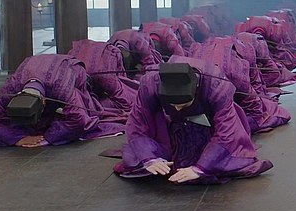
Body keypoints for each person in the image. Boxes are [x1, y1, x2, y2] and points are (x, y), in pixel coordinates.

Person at [113, 61, 273, 184]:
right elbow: (137, 123)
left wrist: (201, 168)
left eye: (183, 104)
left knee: (228, 156)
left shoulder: (217, 88)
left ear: (196, 90)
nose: (177, 108)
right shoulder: (150, 84)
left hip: (208, 119)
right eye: (173, 104)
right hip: (171, 124)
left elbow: (226, 132)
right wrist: (149, 158)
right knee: (137, 157)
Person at [0, 54, 125, 147]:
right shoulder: (12, 86)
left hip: (69, 68)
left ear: (44, 101)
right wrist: (18, 139)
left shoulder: (62, 86)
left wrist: (48, 138)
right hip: (35, 67)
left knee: (87, 110)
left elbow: (79, 120)